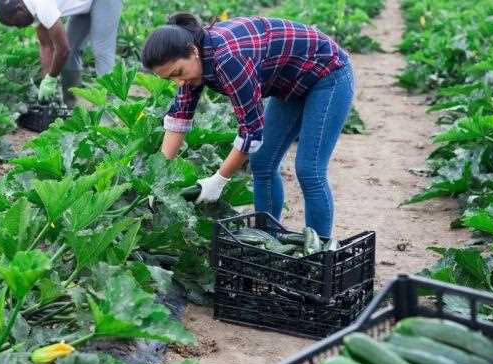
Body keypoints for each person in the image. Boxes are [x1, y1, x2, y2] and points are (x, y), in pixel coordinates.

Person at [141, 13, 355, 237]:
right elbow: (179, 119)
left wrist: (219, 180)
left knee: (309, 169)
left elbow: (251, 133)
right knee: (262, 163)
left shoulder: (229, 60)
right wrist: (159, 179)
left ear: (193, 50)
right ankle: (268, 240)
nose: (178, 82)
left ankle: (320, 253)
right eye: (169, 79)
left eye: (178, 73)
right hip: (290, 83)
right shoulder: (191, 65)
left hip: (328, 74)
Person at [0, 0, 122, 107]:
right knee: (71, 54)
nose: (19, 27)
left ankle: (109, 114)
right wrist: (46, 80)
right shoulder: (29, 9)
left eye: (16, 22)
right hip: (85, 4)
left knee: (102, 51)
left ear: (20, 9)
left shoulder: (42, 5)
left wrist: (52, 77)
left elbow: (62, 50)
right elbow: (46, 46)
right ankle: (72, 107)